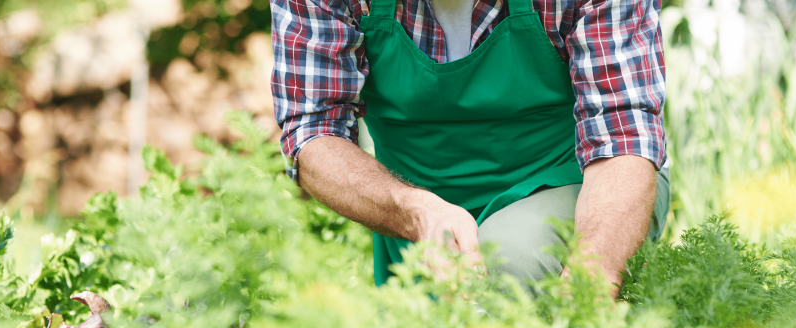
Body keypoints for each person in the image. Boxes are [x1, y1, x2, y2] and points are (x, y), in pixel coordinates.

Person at [270, 0, 670, 297]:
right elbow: (313, 129)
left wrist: (594, 274)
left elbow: (624, 139)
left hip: (583, 187)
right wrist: (415, 211)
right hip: (418, 211)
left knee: (506, 264)